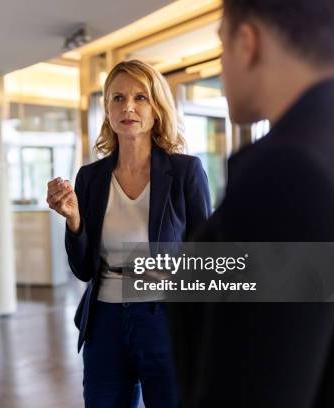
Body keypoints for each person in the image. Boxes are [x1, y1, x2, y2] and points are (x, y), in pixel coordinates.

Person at [168, 1, 334, 407]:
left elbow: (254, 387)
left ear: (248, 42)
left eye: (221, 46)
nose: (223, 66)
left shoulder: (290, 174)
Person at [47, 59, 211, 407]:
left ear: (157, 108)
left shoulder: (186, 172)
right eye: (118, 98)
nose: (129, 107)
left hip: (164, 319)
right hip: (104, 320)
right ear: (106, 109)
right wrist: (73, 220)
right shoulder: (90, 178)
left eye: (141, 97)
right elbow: (83, 269)